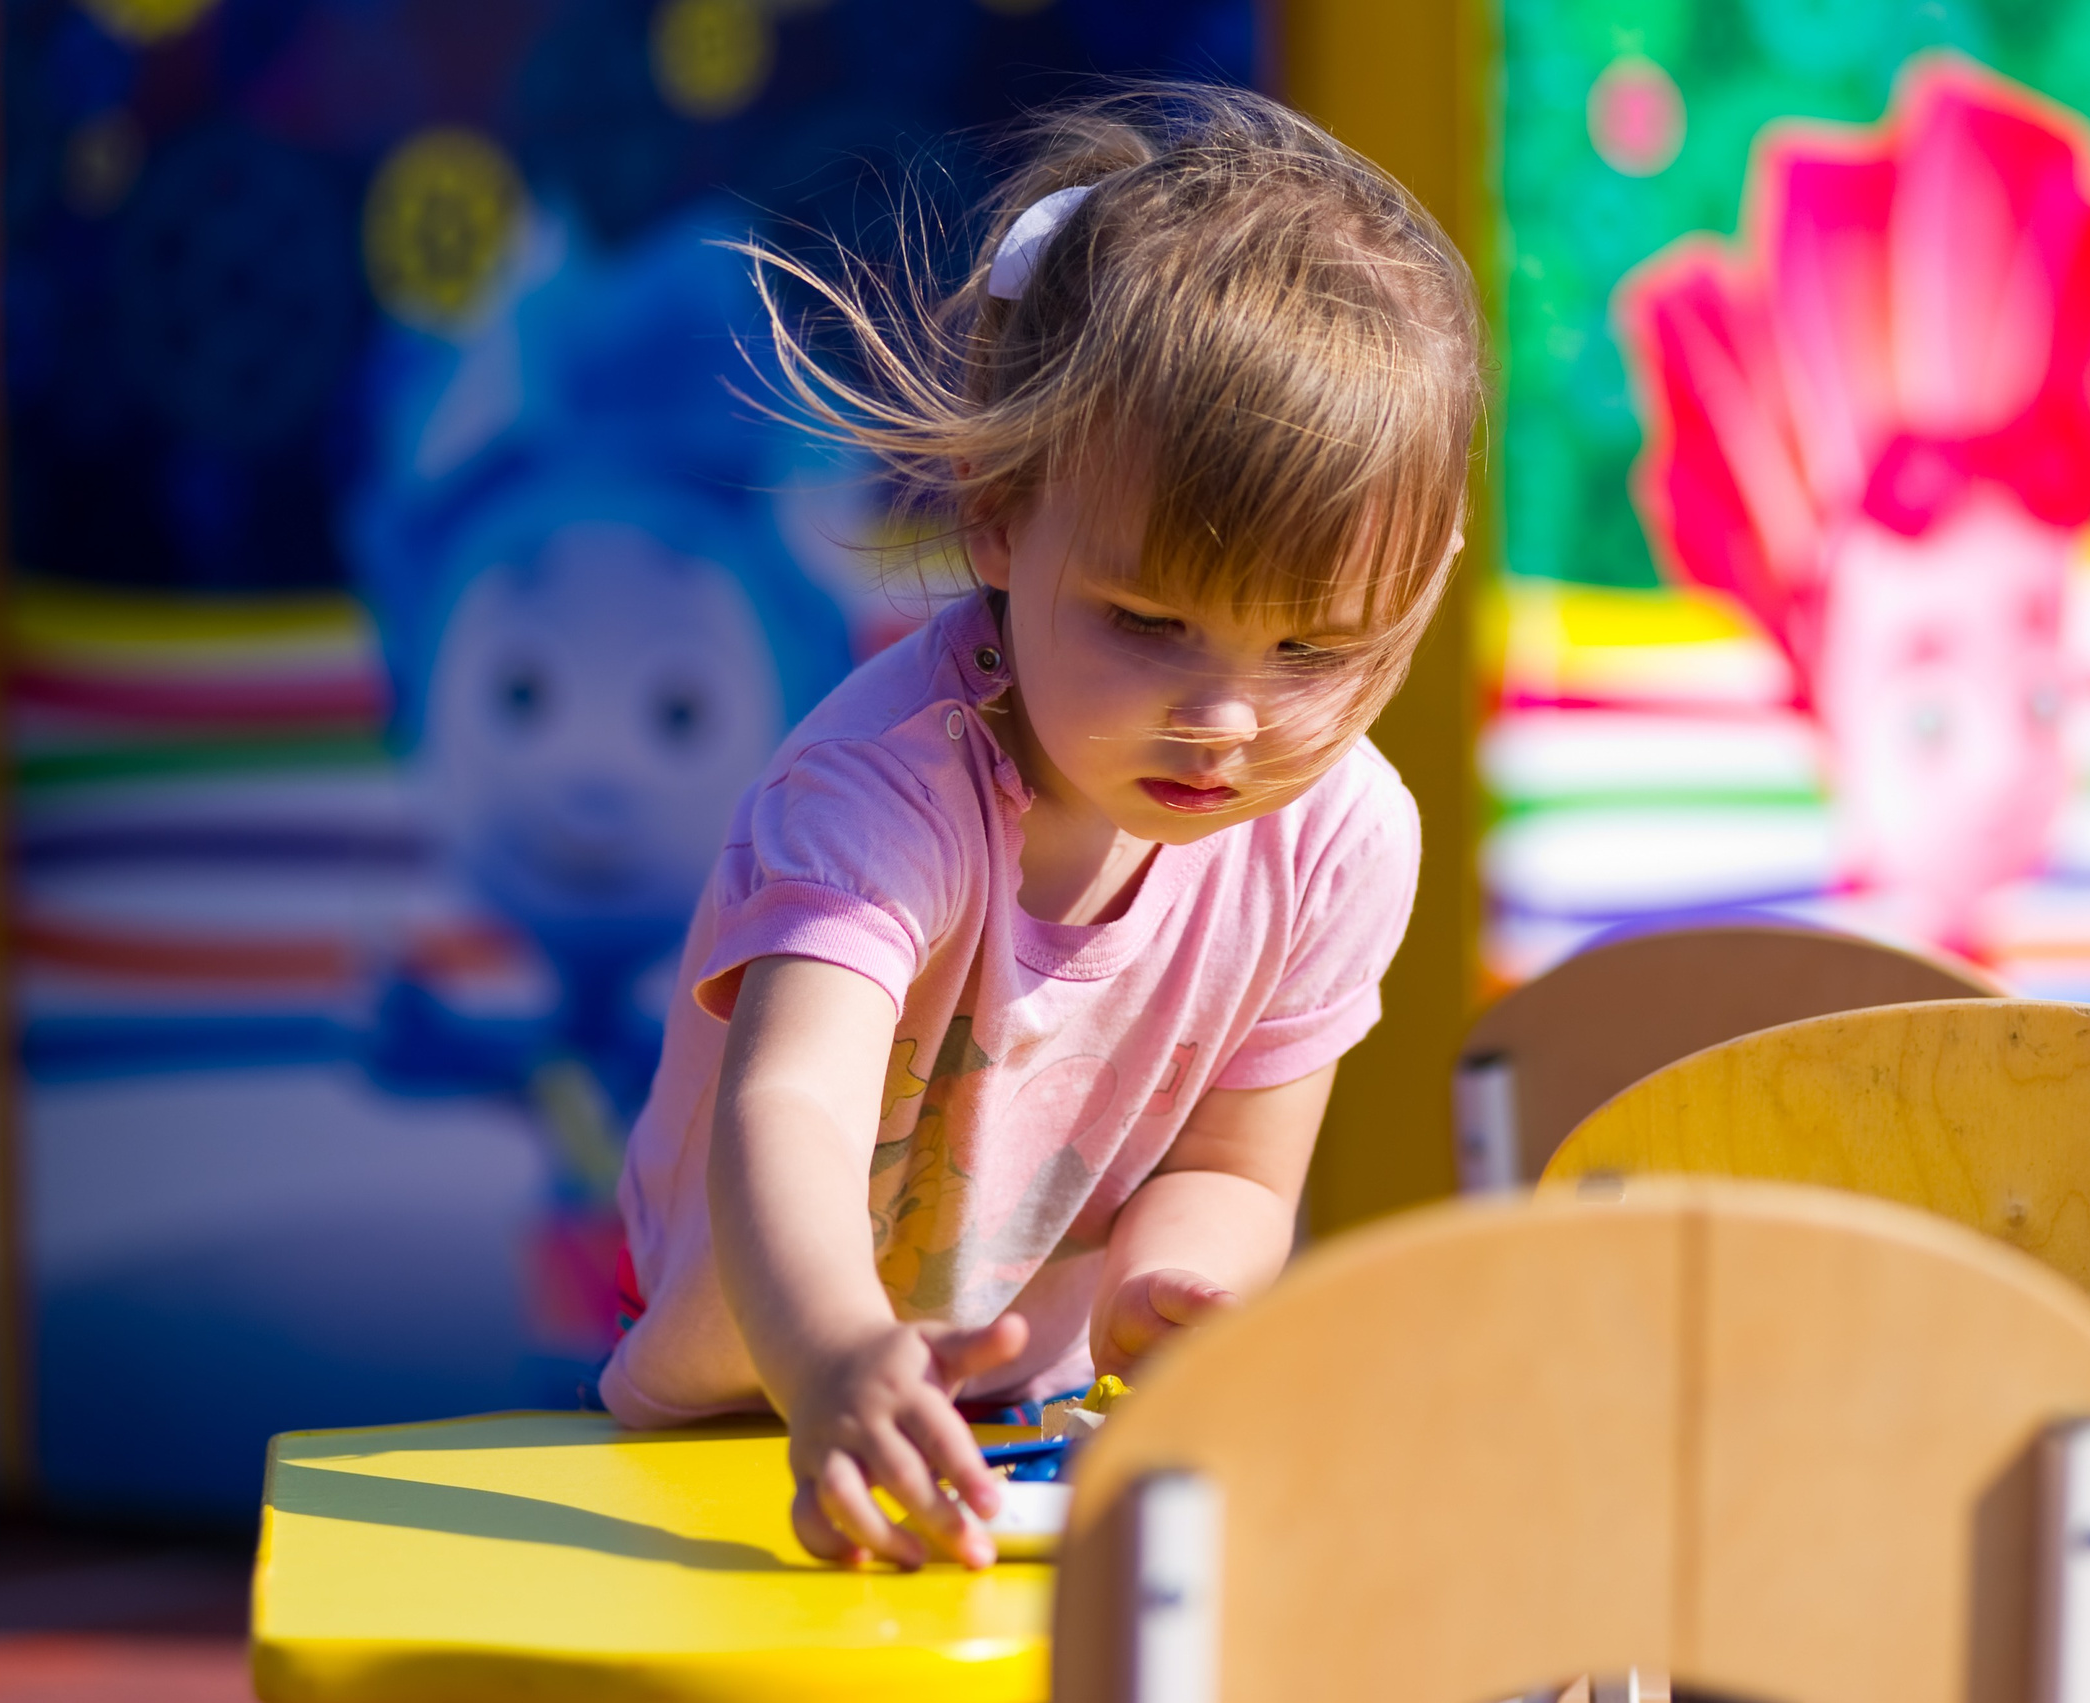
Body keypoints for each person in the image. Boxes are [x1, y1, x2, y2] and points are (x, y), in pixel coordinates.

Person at [599, 83, 1485, 1570]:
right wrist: (832, 1360)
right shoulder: (889, 791)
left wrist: (1182, 1286)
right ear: (998, 514)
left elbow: (1237, 1169)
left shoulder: (1339, 836)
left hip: (1042, 1428)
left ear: (1425, 581)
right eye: (1151, 624)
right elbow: (791, 1108)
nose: (1227, 717)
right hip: (751, 1401)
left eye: (1315, 650)